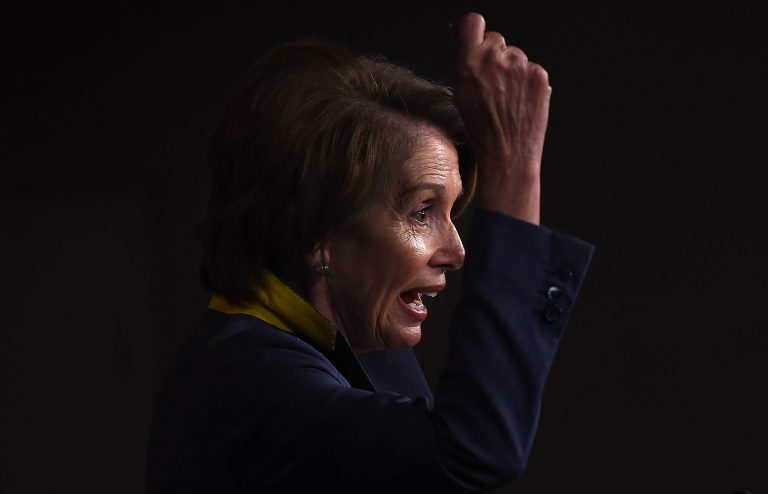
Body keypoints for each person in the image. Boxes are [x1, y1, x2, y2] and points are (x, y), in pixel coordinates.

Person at [146, 12, 595, 493]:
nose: (456, 251)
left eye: (450, 213)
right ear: (316, 228)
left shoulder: (351, 336)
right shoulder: (249, 386)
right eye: (423, 211)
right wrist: (514, 165)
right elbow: (473, 450)